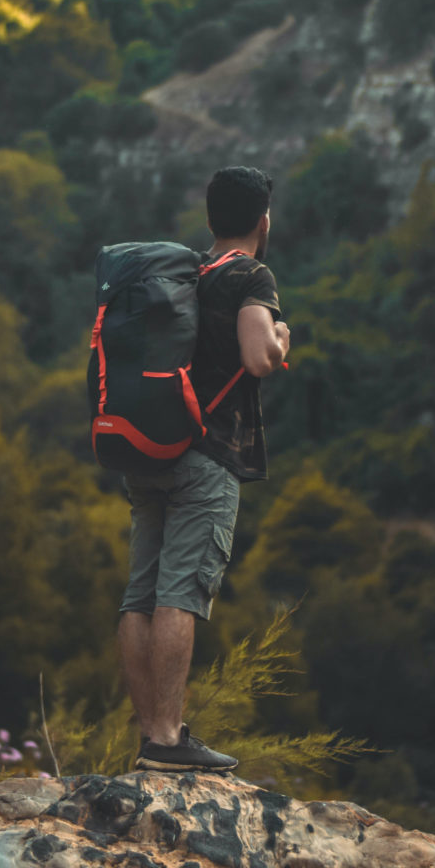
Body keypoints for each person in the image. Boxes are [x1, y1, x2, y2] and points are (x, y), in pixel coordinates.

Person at [118, 166, 289, 772]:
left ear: (211, 217)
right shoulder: (251, 274)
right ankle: (166, 741)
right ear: (262, 220)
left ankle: (152, 735)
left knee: (140, 594)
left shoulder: (181, 270)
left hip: (145, 449)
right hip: (206, 455)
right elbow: (258, 355)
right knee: (180, 595)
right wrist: (282, 337)